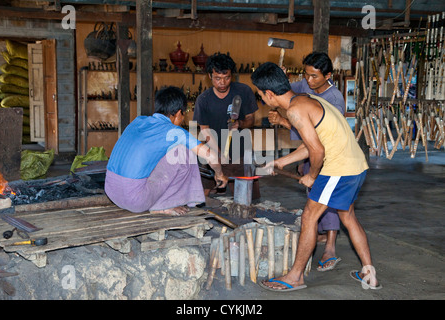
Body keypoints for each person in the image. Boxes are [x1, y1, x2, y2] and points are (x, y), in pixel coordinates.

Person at [251, 62, 381, 291]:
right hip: (356, 165)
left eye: (261, 95)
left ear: (269, 94)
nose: (262, 99)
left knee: (309, 217)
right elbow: (312, 144)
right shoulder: (306, 99)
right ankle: (368, 271)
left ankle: (295, 277)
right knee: (347, 216)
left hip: (339, 168)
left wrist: (312, 175)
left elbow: (317, 151)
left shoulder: (294, 110)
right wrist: (282, 161)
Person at [268, 52, 344, 272]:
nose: (309, 82)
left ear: (328, 75)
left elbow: (321, 138)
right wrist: (280, 81)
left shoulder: (334, 99)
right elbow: (286, 94)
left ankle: (330, 245)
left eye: (314, 77)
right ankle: (319, 235)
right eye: (306, 75)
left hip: (329, 154)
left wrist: (283, 121)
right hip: (309, 151)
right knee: (313, 196)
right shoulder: (304, 85)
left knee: (328, 201)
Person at [104, 86, 228, 216]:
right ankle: (163, 205)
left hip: (112, 191)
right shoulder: (175, 132)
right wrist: (219, 174)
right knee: (183, 151)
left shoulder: (138, 121)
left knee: (164, 152)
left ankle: (159, 201)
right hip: (135, 200)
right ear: (179, 113)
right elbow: (211, 157)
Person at [193, 53, 259, 198]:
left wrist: (240, 123)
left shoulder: (243, 91)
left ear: (232, 76)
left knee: (246, 198)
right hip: (212, 151)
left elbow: (251, 120)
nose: (222, 83)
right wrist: (218, 154)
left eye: (226, 77)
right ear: (210, 76)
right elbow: (205, 130)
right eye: (217, 78)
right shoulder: (203, 100)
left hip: (240, 152)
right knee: (201, 197)